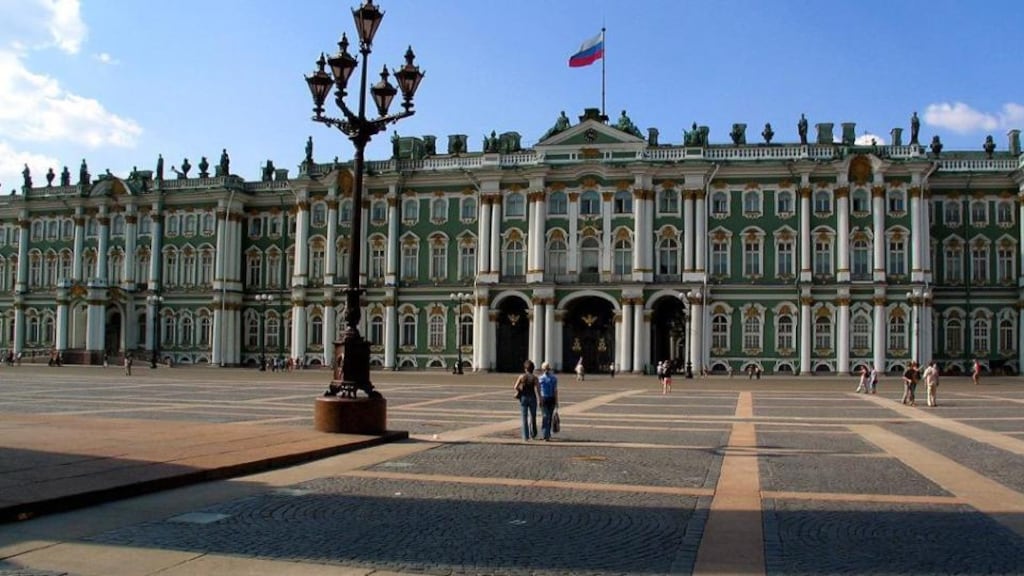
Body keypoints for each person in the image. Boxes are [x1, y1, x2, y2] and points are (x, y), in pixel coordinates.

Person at [514, 360, 539, 441]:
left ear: (525, 368)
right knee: (533, 416)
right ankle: (533, 433)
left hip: (524, 398)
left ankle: (525, 436)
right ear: (532, 369)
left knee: (524, 417)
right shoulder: (535, 378)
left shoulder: (521, 377)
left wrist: (520, 391)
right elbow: (538, 389)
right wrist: (541, 399)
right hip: (532, 397)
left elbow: (515, 387)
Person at [538, 361, 558, 441]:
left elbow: (555, 390)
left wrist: (556, 401)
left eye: (547, 369)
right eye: (545, 369)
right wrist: (539, 399)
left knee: (549, 417)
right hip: (544, 398)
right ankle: (545, 434)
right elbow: (538, 390)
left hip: (551, 398)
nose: (546, 370)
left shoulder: (553, 378)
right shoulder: (540, 378)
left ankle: (547, 434)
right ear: (542, 369)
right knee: (545, 416)